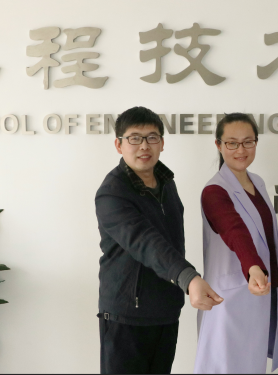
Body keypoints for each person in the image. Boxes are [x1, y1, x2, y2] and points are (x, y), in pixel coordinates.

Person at [95, 106, 223, 374]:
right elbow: (145, 241)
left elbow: (173, 242)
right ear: (119, 145)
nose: (144, 146)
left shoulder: (166, 183)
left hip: (165, 312)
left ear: (162, 143)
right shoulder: (112, 193)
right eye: (134, 138)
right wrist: (189, 278)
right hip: (126, 316)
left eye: (152, 137)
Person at [194, 113, 278, 373]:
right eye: (232, 143)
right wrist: (254, 266)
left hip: (258, 295)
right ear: (219, 145)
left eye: (248, 142)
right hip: (228, 302)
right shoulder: (214, 191)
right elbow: (235, 230)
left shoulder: (258, 182)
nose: (240, 150)